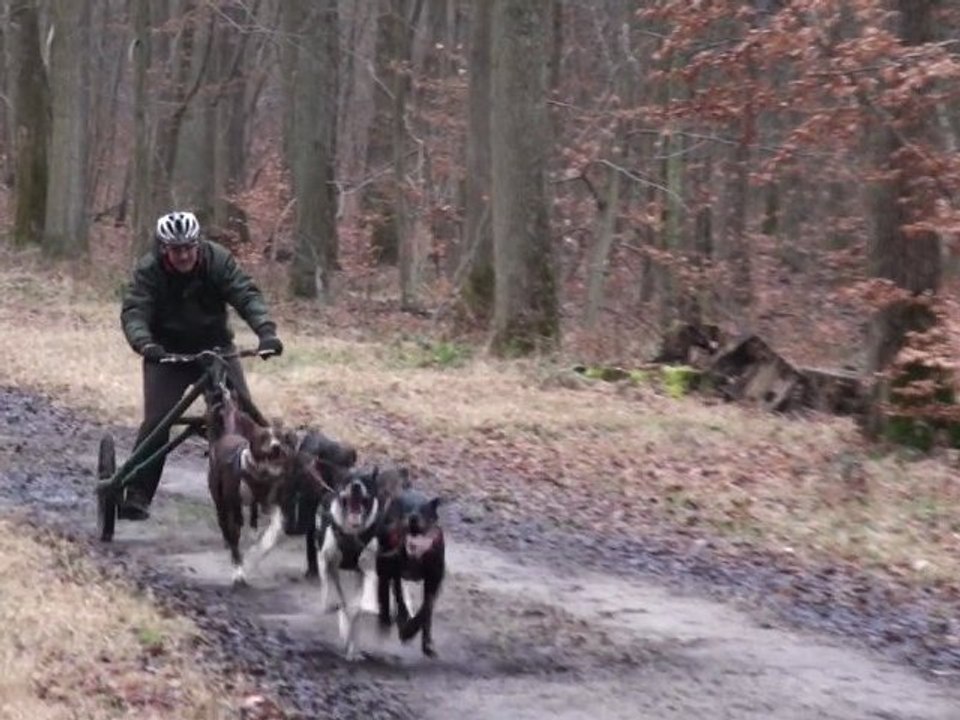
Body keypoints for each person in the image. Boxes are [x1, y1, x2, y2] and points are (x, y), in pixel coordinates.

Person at [119, 210, 284, 520]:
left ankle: (270, 486)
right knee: (158, 421)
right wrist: (145, 344)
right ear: (164, 248)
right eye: (176, 249)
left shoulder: (216, 261)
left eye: (189, 248)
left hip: (216, 348)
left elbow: (245, 294)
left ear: (198, 244)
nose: (183, 255)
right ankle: (137, 493)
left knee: (246, 415)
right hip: (167, 353)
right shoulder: (149, 270)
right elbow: (135, 311)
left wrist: (266, 332)